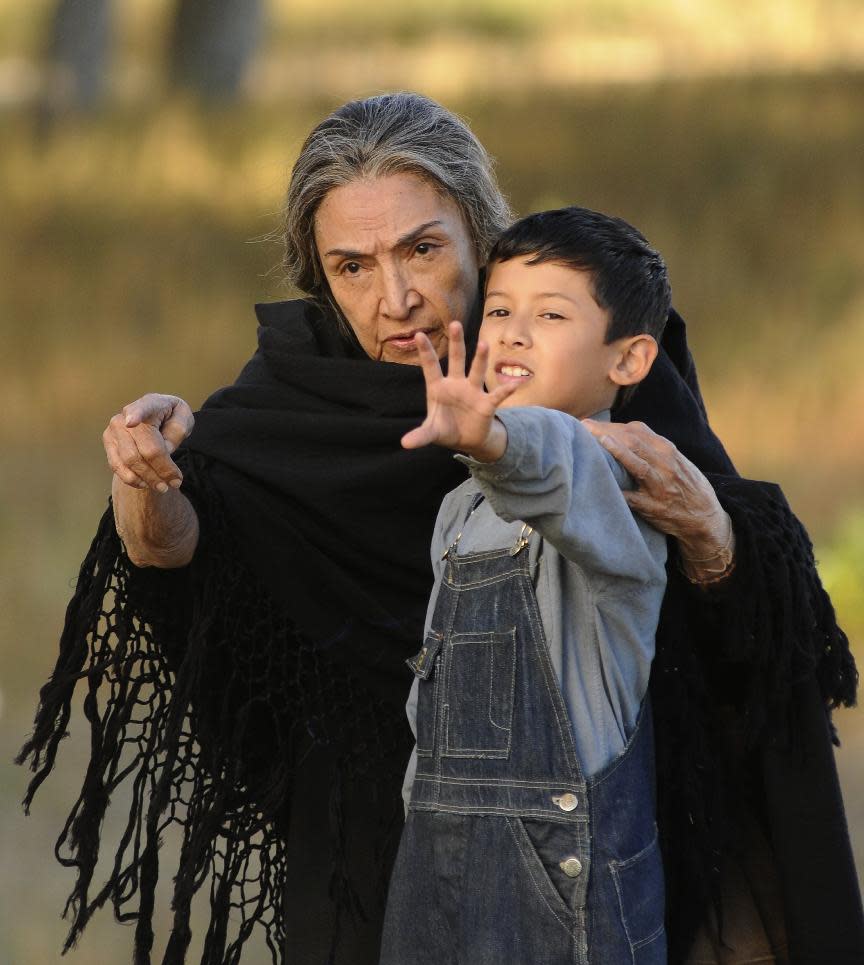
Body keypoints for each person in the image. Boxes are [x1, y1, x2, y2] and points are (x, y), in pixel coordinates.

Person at [17, 92, 862, 965]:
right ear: (319, 276)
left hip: (609, 859)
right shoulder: (277, 421)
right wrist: (145, 476)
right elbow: (178, 565)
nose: (397, 297)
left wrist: (714, 542)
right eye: (352, 265)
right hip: (374, 868)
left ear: (479, 234)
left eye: (423, 248)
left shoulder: (596, 366)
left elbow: (736, 600)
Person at [381, 206, 673, 964]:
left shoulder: (616, 481)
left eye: (549, 314)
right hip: (436, 870)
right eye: (501, 309)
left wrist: (493, 438)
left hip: (560, 887)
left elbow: (555, 465)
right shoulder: (460, 508)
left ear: (629, 360)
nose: (511, 332)